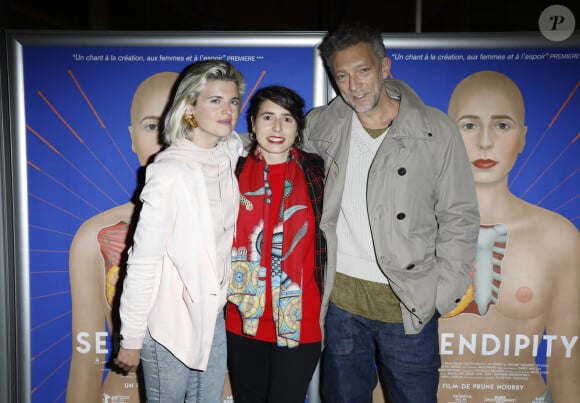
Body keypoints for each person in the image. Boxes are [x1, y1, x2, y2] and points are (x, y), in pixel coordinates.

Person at [302, 22, 480, 402]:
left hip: (408, 305)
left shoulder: (434, 130)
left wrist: (442, 293)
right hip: (340, 305)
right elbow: (277, 150)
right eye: (343, 76)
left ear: (384, 68)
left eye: (363, 71)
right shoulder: (321, 125)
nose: (354, 86)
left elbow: (459, 215)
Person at [439, 70, 580, 403]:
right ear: (447, 134)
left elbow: (567, 366)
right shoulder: (411, 230)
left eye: (502, 125)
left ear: (523, 136)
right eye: (469, 125)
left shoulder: (558, 238)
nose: (485, 142)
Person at [113, 60, 246, 402]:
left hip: (212, 313)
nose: (227, 110)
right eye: (215, 100)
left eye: (233, 101)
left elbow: (250, 138)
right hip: (169, 322)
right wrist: (131, 338)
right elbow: (143, 260)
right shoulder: (169, 172)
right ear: (189, 108)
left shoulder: (229, 152)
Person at [66, 71, 178, 403]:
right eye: (151, 125)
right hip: (128, 393)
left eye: (177, 123)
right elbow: (86, 359)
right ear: (132, 137)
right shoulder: (93, 236)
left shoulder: (232, 223)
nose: (164, 139)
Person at [225, 85, 326, 403]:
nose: (277, 128)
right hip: (242, 320)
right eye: (268, 117)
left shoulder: (318, 172)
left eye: (287, 118)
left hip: (300, 322)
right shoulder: (231, 169)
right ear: (252, 123)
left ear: (299, 126)